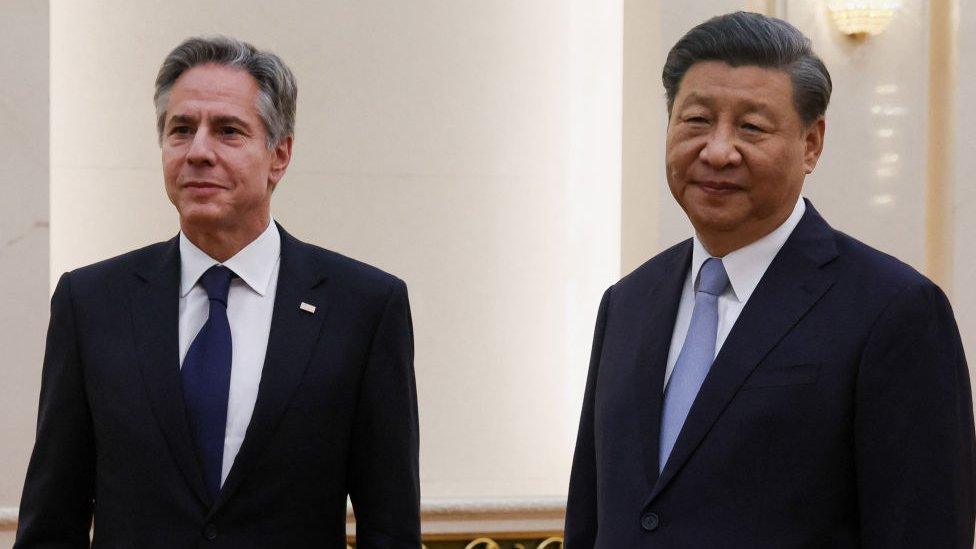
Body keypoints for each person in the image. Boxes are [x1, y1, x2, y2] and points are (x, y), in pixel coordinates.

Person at [565, 11, 975, 548]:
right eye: (695, 121)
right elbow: (595, 519)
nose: (717, 150)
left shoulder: (893, 310)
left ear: (811, 144)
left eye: (752, 127)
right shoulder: (627, 303)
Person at [16, 36, 420, 548]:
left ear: (280, 155)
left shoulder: (363, 306)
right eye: (181, 130)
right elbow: (53, 517)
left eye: (228, 131)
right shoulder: (92, 301)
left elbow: (391, 527)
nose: (199, 152)